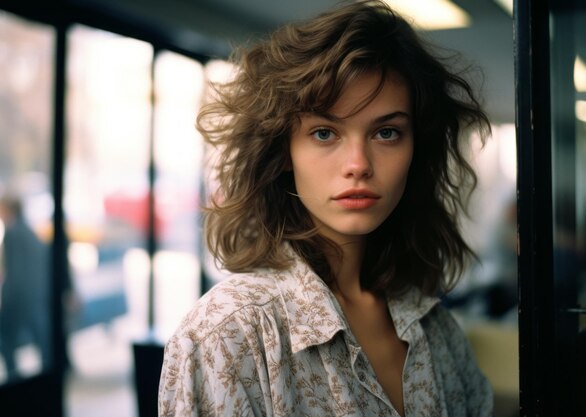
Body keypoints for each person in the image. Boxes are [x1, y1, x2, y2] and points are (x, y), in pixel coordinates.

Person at [159, 1, 493, 416]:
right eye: (323, 133)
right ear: (284, 151)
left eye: (387, 132)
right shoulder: (228, 334)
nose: (358, 165)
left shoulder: (434, 327)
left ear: (415, 151)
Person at [0, 194, 51, 382]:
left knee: (6, 340)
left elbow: (14, 272)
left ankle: (14, 380)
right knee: (41, 341)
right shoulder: (30, 232)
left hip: (19, 297)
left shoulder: (12, 233)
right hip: (34, 296)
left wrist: (6, 299)